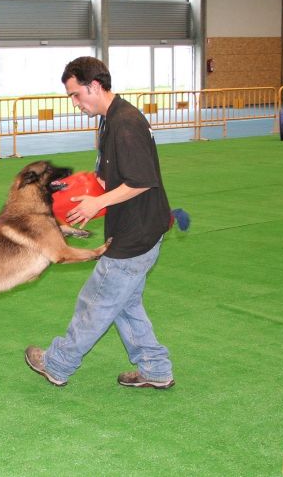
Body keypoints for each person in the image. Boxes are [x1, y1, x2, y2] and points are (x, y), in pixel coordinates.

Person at [25, 56, 175, 389]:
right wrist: (74, 192)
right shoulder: (109, 120)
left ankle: (57, 363)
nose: (75, 103)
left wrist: (97, 203)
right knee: (125, 304)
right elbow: (108, 179)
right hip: (137, 228)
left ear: (94, 86)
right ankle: (156, 368)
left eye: (76, 95)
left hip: (135, 234)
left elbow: (141, 180)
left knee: (95, 303)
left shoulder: (125, 123)